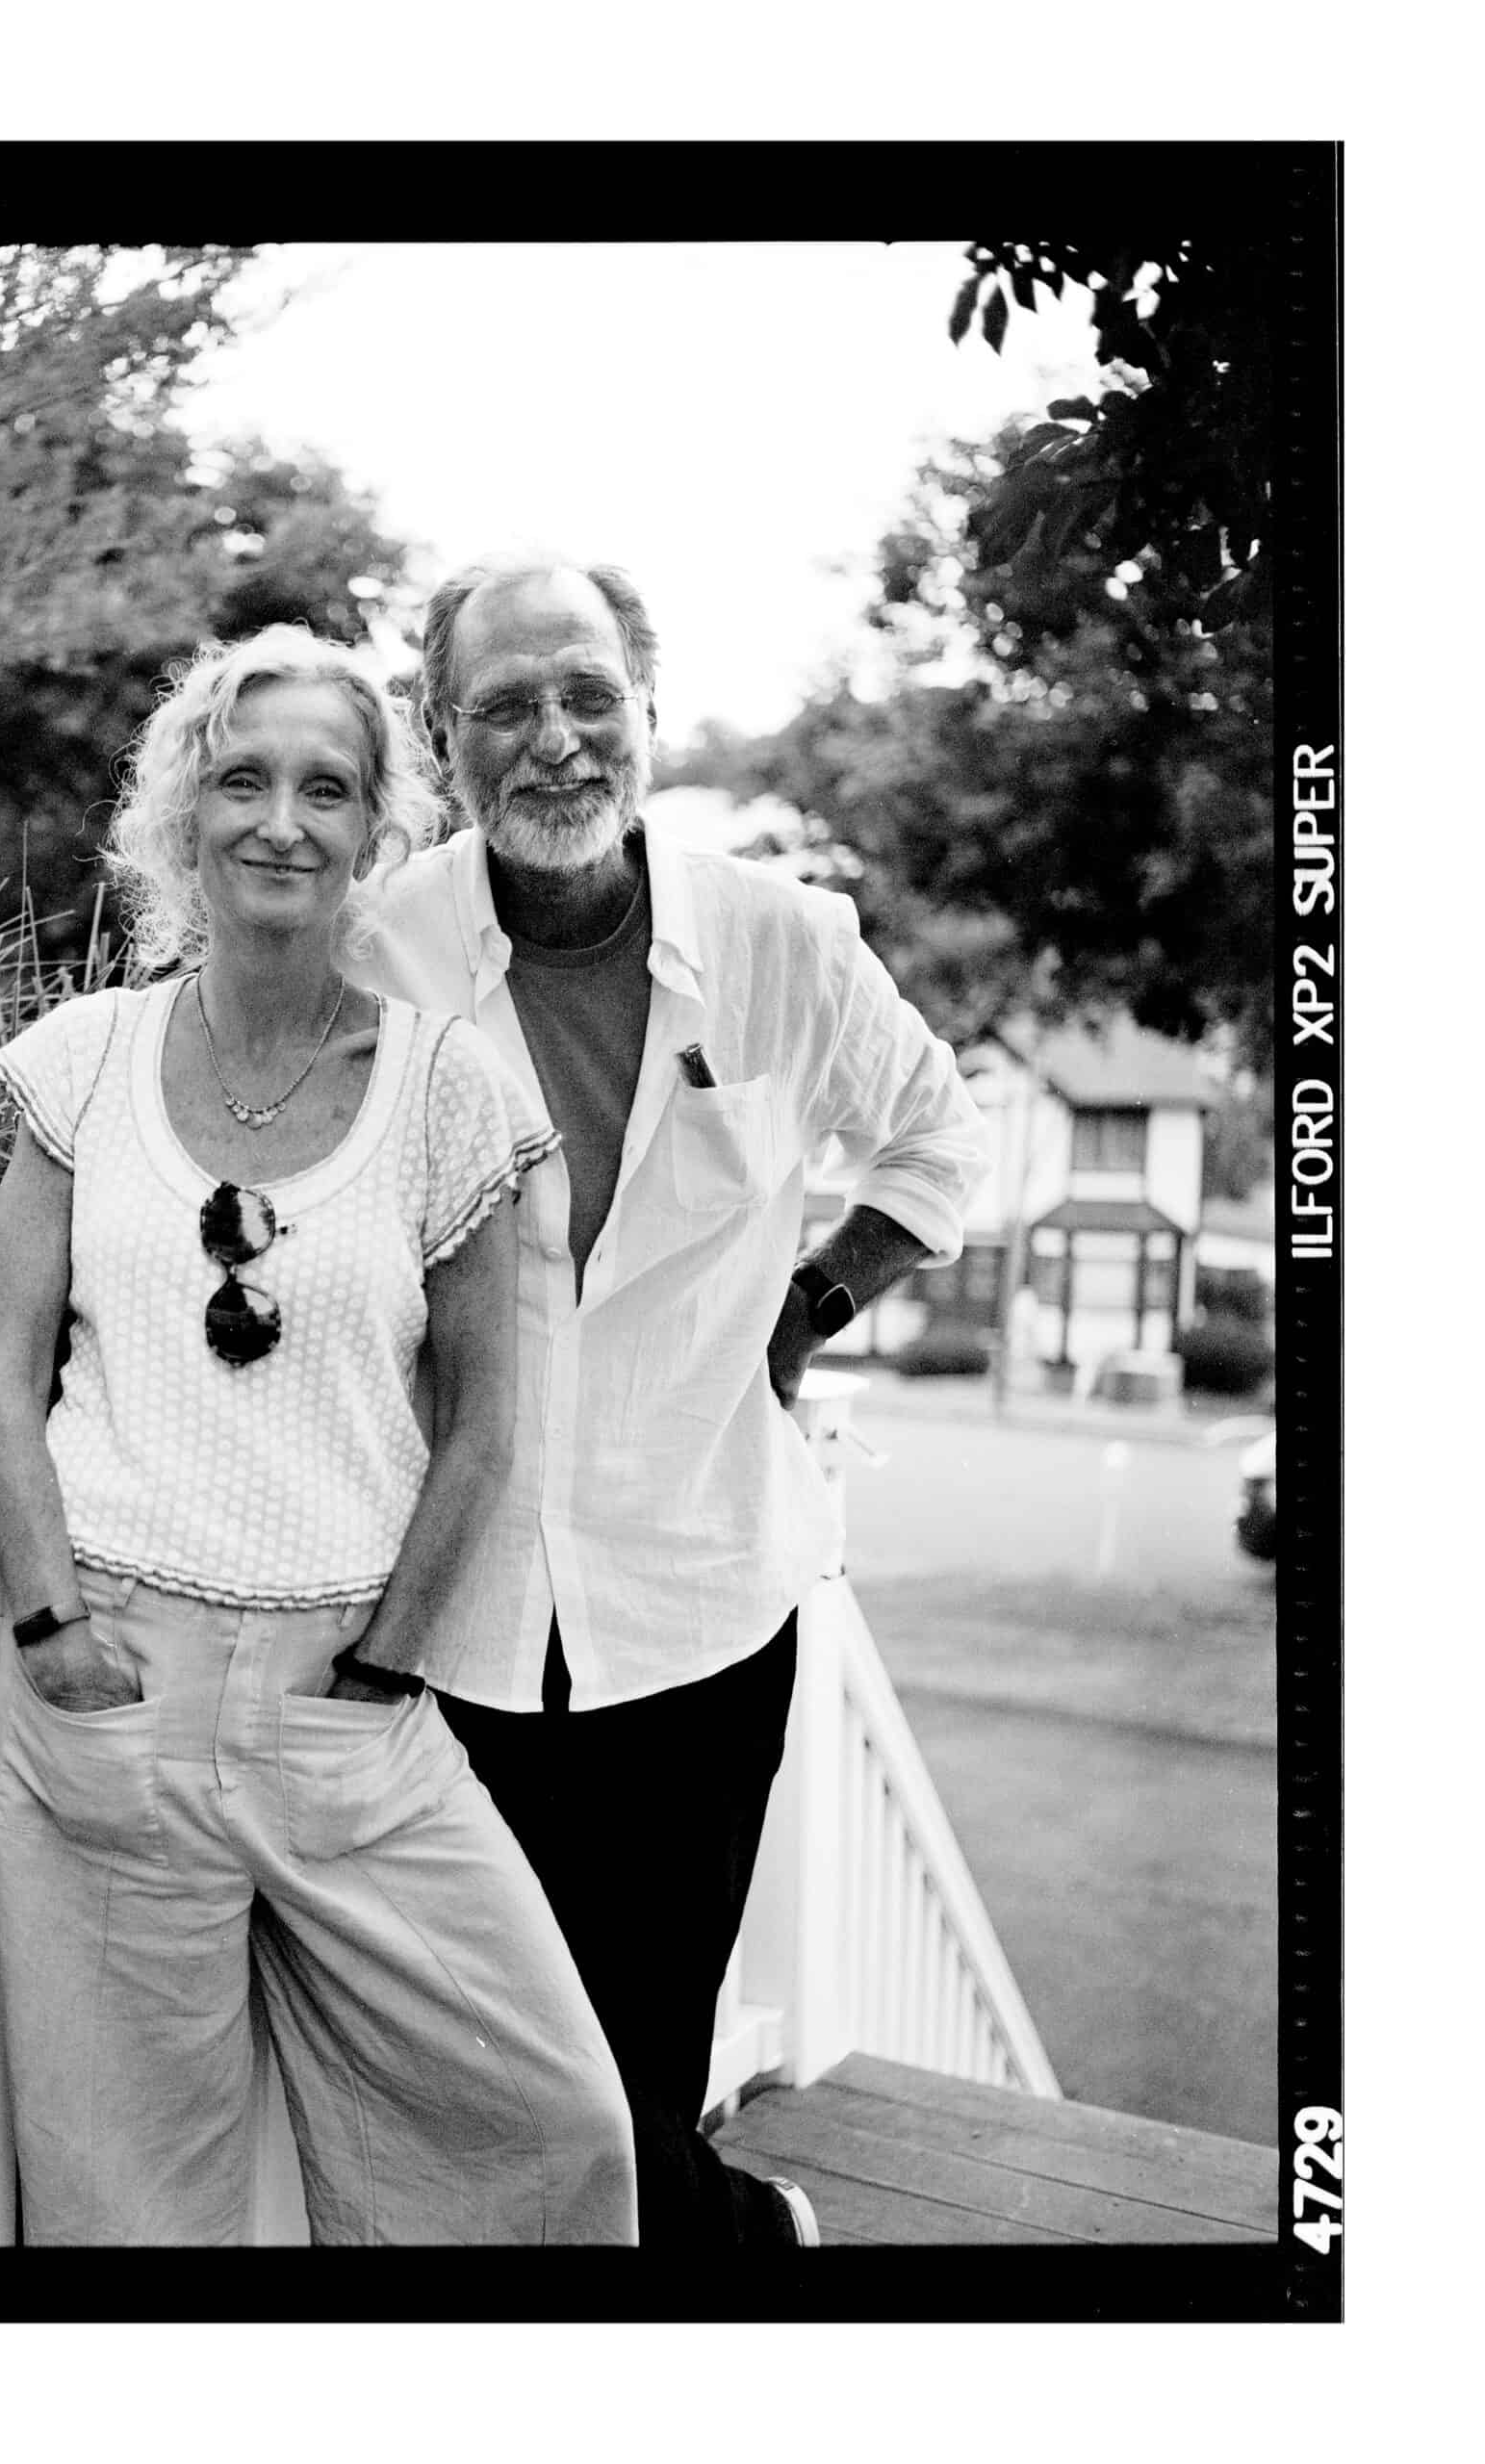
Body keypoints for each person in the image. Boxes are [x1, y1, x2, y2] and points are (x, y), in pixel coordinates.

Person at [0, 624, 636, 2246]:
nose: (283, 821)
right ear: (184, 815)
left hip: (349, 1707)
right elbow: (2, 1367)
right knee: (132, 2202)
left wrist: (391, 1664)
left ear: (376, 833)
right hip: (110, 1679)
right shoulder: (85, 1060)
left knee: (558, 2129)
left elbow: (491, 1416)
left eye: (326, 790)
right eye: (244, 781)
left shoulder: (448, 1091)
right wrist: (51, 1622)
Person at [350, 560, 988, 2252]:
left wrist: (809, 1307)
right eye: (504, 707)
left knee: (646, 2041)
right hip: (459, 1607)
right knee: (505, 2065)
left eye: (588, 697)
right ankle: (702, 2229)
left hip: (703, 1597)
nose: (554, 742)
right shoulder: (381, 947)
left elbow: (940, 1149)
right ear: (442, 734)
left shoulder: (784, 940)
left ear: (647, 710)